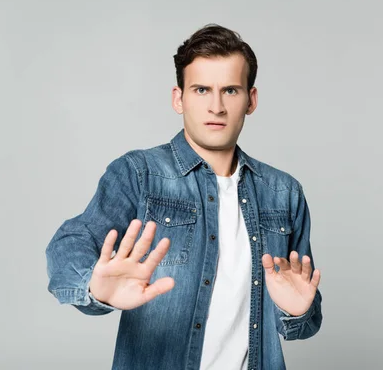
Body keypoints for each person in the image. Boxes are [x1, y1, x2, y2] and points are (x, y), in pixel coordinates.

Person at [45, 24, 323, 370]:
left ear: (251, 100)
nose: (217, 106)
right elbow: (69, 242)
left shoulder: (283, 193)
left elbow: (306, 318)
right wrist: (95, 288)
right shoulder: (140, 173)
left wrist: (297, 311)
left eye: (231, 90)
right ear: (179, 98)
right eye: (202, 89)